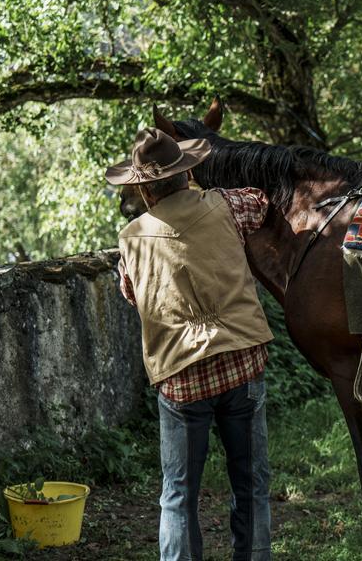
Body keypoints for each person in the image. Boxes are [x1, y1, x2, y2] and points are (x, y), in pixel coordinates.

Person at [105, 127, 274, 561]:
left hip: (181, 376)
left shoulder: (131, 239)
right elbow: (262, 201)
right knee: (251, 483)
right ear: (187, 174)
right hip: (241, 359)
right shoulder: (225, 204)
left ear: (145, 191)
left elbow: (133, 294)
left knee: (178, 494)